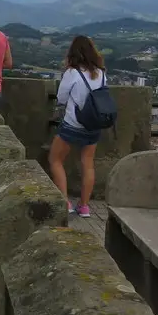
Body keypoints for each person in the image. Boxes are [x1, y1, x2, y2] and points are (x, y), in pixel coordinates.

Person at [48, 35, 106, 217]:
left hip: (73, 124)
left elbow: (62, 98)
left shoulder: (72, 73)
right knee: (88, 163)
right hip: (94, 125)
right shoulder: (101, 73)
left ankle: (65, 202)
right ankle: (84, 206)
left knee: (55, 159)